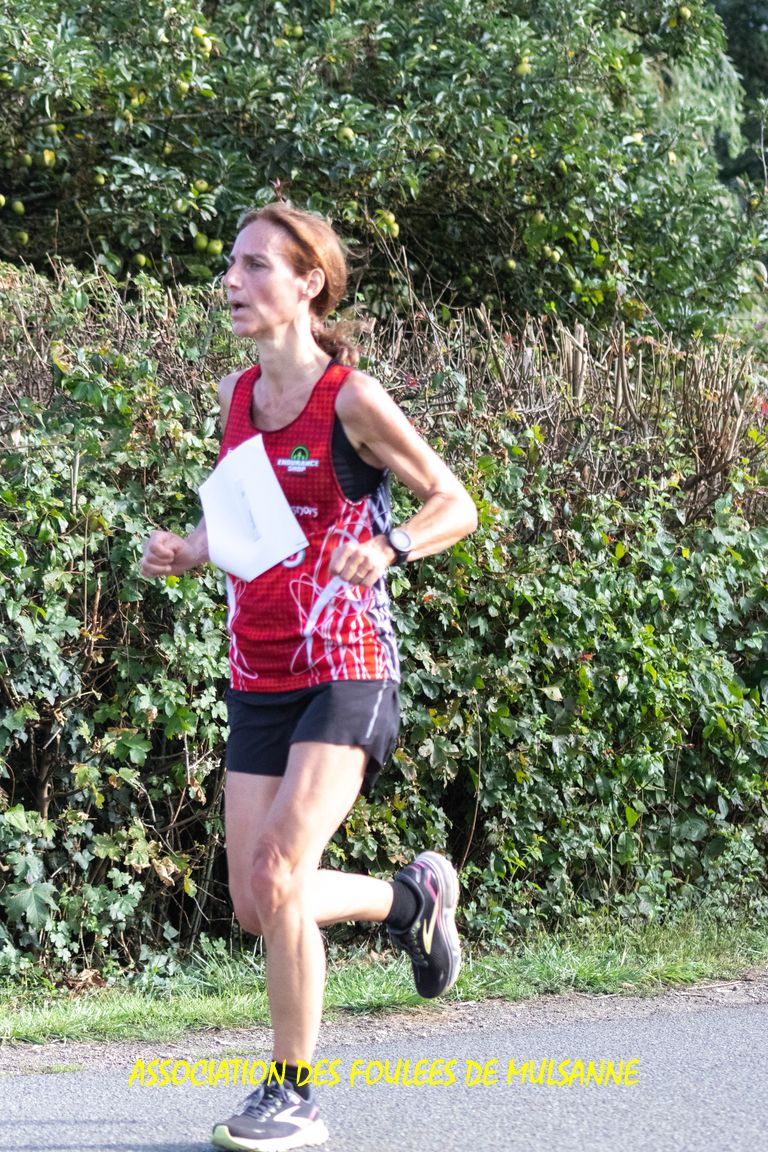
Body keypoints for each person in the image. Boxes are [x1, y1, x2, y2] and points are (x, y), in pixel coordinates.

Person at [140, 202, 477, 1152]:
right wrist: (190, 550)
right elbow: (245, 513)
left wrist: (394, 545)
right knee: (259, 901)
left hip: (346, 665)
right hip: (259, 668)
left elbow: (455, 503)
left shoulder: (351, 400)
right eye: (231, 265)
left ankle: (293, 1093)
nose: (232, 282)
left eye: (255, 265)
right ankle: (412, 902)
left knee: (281, 872)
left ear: (309, 283)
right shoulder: (235, 396)